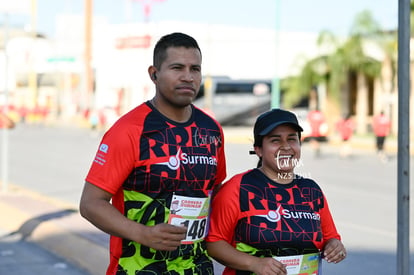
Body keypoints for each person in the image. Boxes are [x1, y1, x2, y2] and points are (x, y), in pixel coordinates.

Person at [79, 32, 227, 275]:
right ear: (154, 74)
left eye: (195, 69)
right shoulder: (129, 130)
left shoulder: (211, 130)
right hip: (137, 268)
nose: (188, 77)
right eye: (177, 68)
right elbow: (90, 204)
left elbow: (217, 195)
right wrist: (144, 234)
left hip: (197, 269)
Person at [206, 108, 346, 275]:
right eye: (275, 140)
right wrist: (255, 264)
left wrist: (334, 246)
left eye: (292, 139)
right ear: (258, 149)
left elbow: (331, 237)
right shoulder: (238, 187)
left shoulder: (311, 190)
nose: (286, 147)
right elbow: (214, 243)